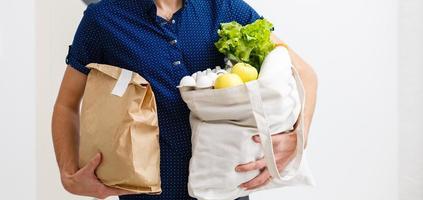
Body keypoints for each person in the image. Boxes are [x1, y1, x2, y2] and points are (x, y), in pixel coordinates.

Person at [51, 0, 318, 199]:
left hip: (225, 191)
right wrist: (69, 175)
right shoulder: (103, 19)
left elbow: (304, 73)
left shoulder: (223, 7)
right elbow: (67, 105)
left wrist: (298, 138)